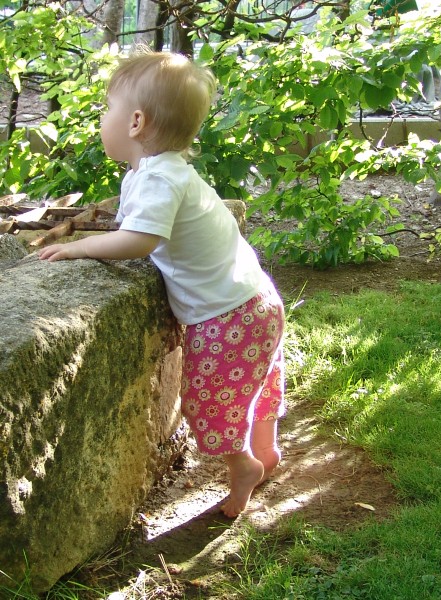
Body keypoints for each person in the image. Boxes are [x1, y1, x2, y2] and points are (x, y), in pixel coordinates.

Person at [38, 49, 285, 518]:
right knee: (256, 380)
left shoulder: (160, 180)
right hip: (254, 299)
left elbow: (139, 240)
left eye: (107, 108)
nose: (102, 118)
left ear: (135, 122)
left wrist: (79, 247)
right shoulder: (161, 172)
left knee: (207, 403)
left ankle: (244, 467)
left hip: (227, 316)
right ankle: (265, 449)